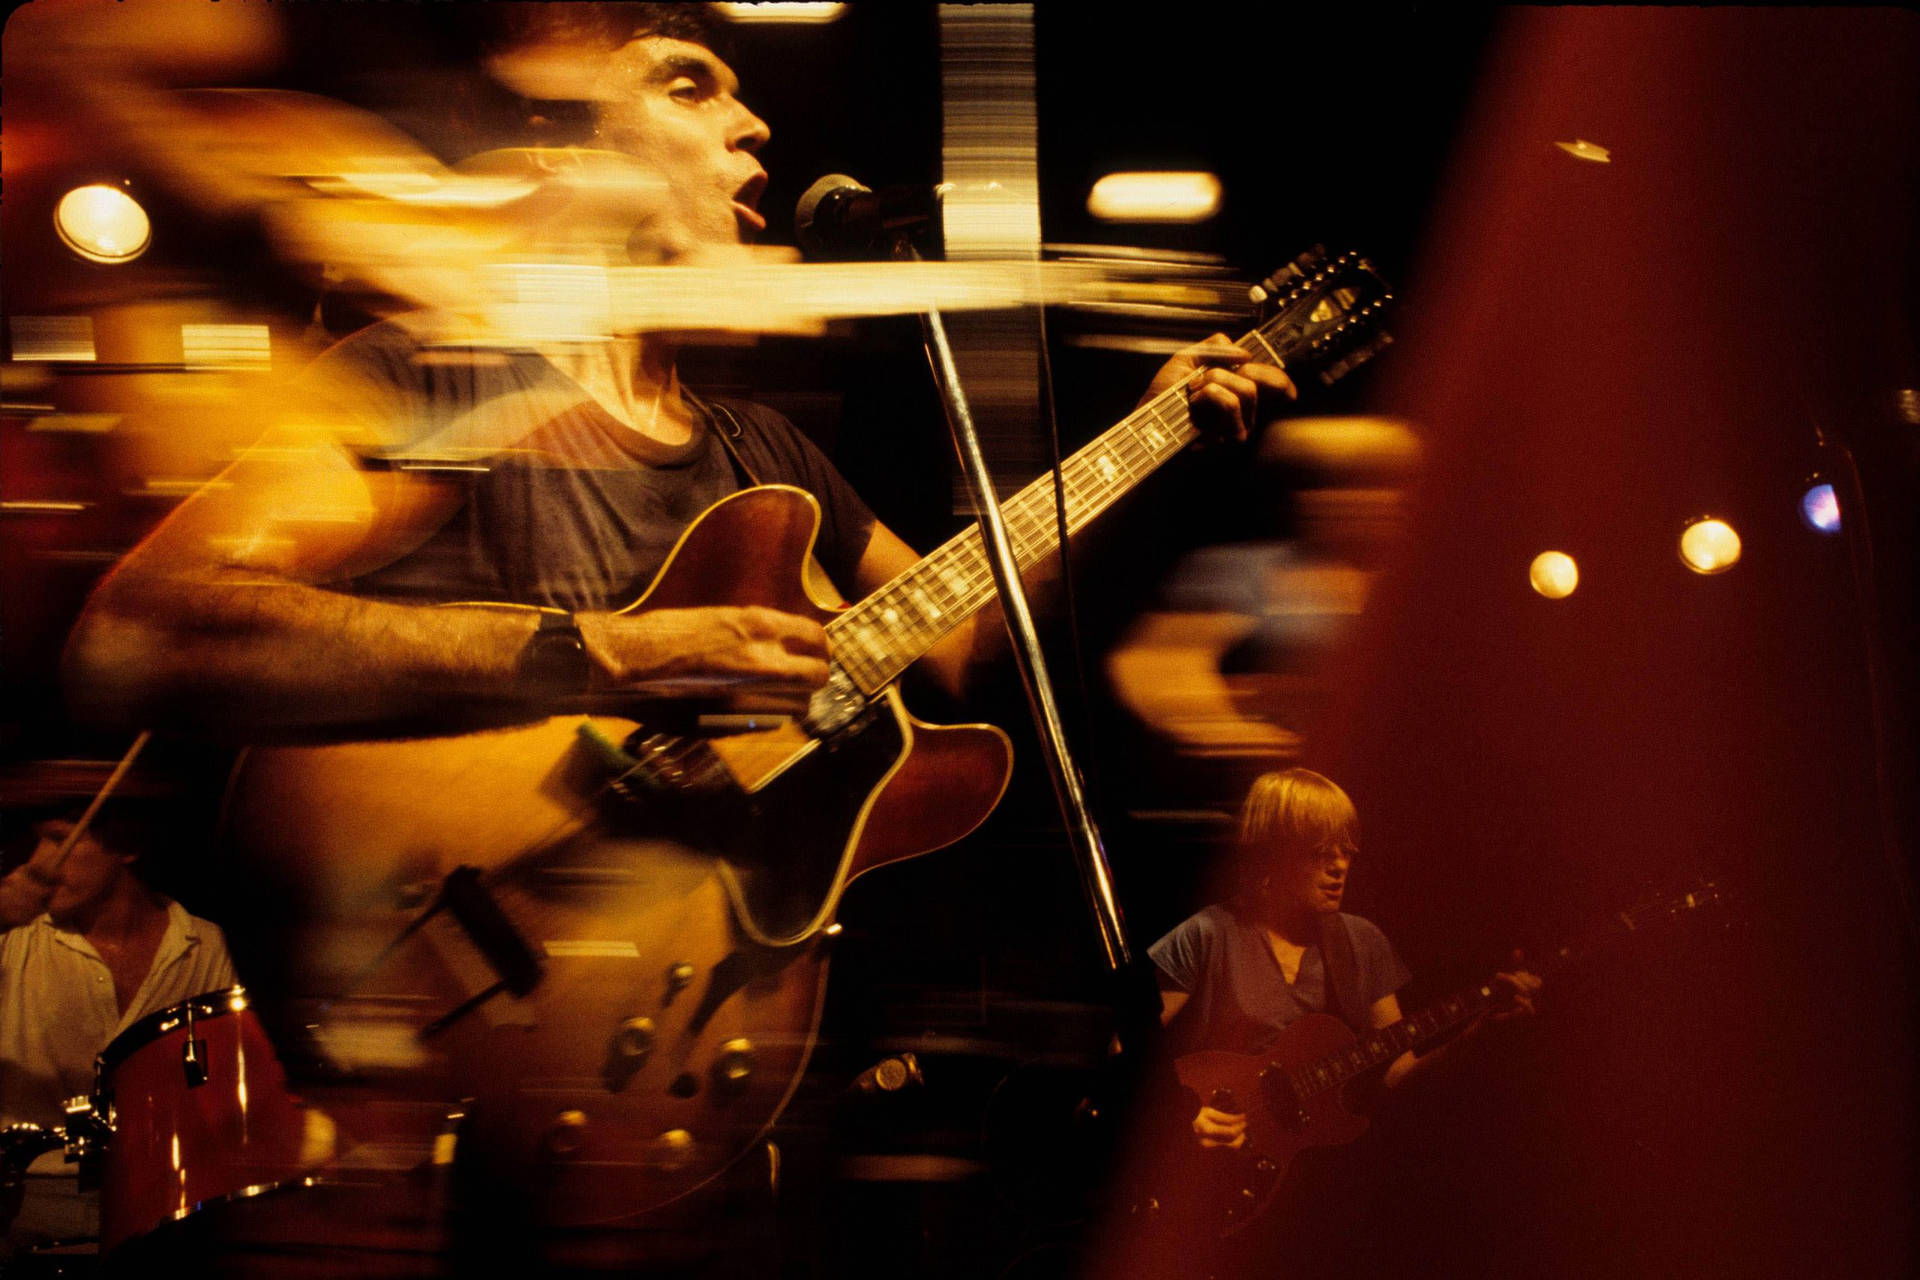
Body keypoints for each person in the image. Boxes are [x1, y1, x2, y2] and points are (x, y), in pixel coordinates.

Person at [1152, 769, 1540, 1149]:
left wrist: (1470, 1038)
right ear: (1272, 853)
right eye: (1320, 851)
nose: (1339, 867)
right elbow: (1125, 1052)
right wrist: (1181, 1115)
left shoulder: (1361, 941)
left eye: (1346, 851)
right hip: (1213, 1165)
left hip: (1315, 1166)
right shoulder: (1208, 934)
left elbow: (1393, 1072)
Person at [1, 805, 237, 1258]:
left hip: (164, 1208)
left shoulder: (205, 945)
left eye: (57, 838)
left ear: (127, 845)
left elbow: (216, 1095)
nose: (38, 861)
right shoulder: (14, 938)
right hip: (26, 1208)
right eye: (38, 840)